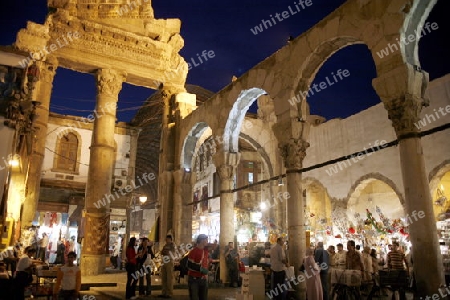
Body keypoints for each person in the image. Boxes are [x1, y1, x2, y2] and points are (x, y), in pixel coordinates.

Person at [187, 234, 210, 300]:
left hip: (203, 279)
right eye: (206, 240)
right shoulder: (193, 252)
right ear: (202, 240)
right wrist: (201, 269)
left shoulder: (205, 251)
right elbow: (189, 265)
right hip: (194, 280)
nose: (207, 241)